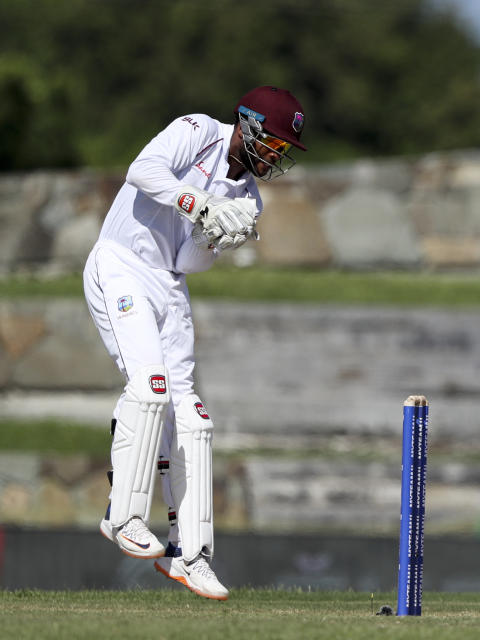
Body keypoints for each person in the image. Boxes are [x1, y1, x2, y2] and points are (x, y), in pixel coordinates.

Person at [82, 86, 306, 601]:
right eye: (272, 143)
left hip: (169, 283)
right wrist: (199, 202)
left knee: (193, 418)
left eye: (283, 150)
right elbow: (141, 170)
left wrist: (211, 237)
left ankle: (190, 554)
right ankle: (125, 516)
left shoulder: (248, 196)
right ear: (247, 126)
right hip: (121, 263)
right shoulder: (199, 131)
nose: (276, 156)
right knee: (150, 387)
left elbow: (189, 263)